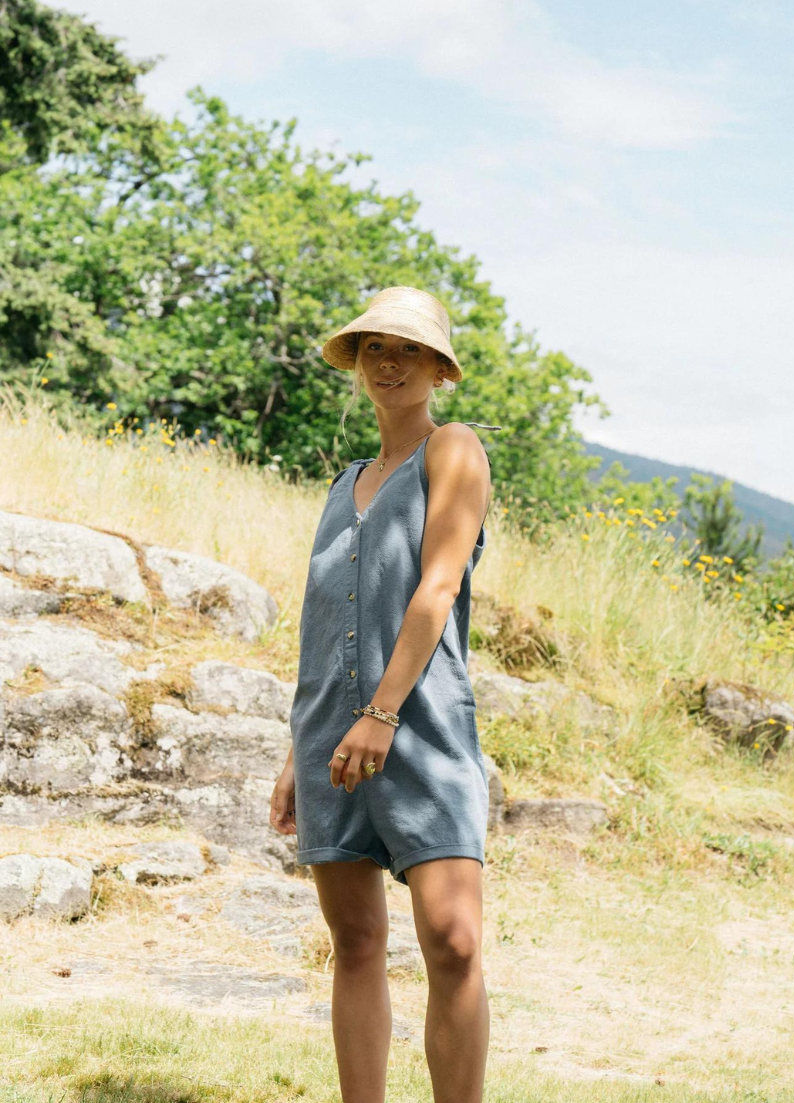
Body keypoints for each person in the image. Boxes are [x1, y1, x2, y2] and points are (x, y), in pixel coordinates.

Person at [270, 286, 493, 1103]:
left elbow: (438, 587)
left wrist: (381, 713)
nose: (389, 363)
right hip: (331, 735)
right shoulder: (343, 484)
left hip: (421, 729)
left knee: (454, 940)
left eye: (407, 350)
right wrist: (295, 752)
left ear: (439, 368)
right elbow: (323, 625)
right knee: (357, 941)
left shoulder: (454, 448)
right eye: (374, 348)